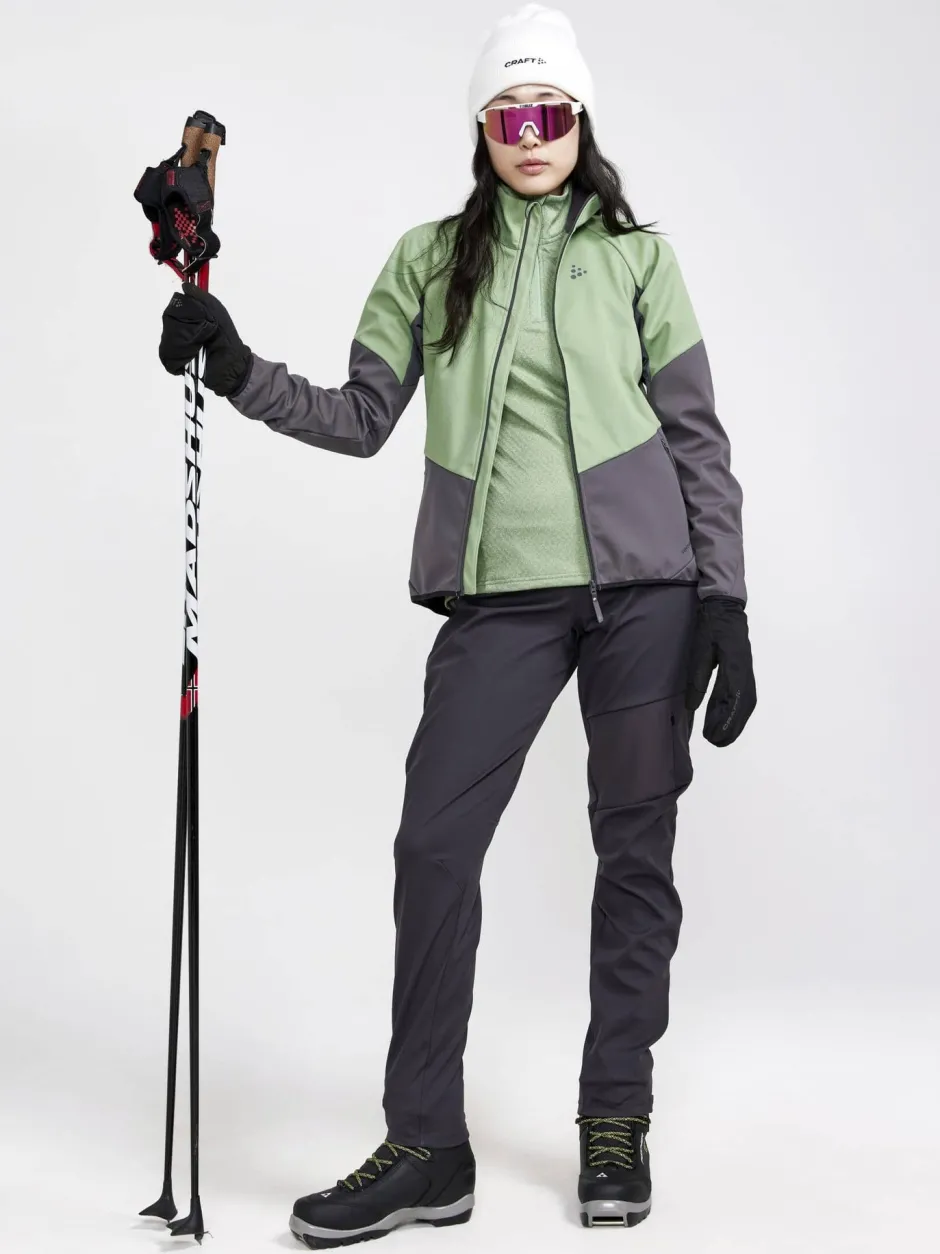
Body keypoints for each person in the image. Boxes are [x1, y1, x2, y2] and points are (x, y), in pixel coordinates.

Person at [157, 4, 757, 1246]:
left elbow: (696, 439)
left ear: (579, 121)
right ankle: (427, 1143)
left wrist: (725, 602)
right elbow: (358, 414)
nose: (530, 136)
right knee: (434, 848)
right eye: (507, 116)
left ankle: (614, 1115)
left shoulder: (638, 260)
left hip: (646, 598)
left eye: (550, 114)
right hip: (498, 600)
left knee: (633, 851)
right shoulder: (428, 260)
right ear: (481, 129)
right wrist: (236, 364)